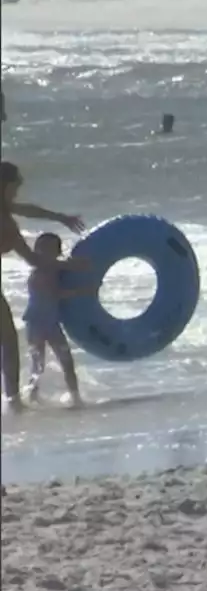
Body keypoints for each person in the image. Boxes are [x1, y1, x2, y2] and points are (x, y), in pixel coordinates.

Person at [1, 161, 87, 409]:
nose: (18, 189)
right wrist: (69, 265)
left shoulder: (6, 210)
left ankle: (14, 401)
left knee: (7, 343)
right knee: (7, 342)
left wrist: (60, 218)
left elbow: (28, 210)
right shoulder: (5, 223)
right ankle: (14, 403)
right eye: (15, 185)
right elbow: (32, 259)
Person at [24, 233, 92, 406]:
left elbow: (76, 265)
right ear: (37, 251)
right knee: (38, 364)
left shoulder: (56, 268)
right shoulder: (38, 273)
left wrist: (86, 261)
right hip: (36, 322)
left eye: (52, 249)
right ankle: (31, 397)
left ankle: (75, 397)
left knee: (67, 360)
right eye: (43, 249)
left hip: (52, 323)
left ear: (57, 251)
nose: (47, 252)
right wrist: (82, 291)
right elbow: (54, 294)